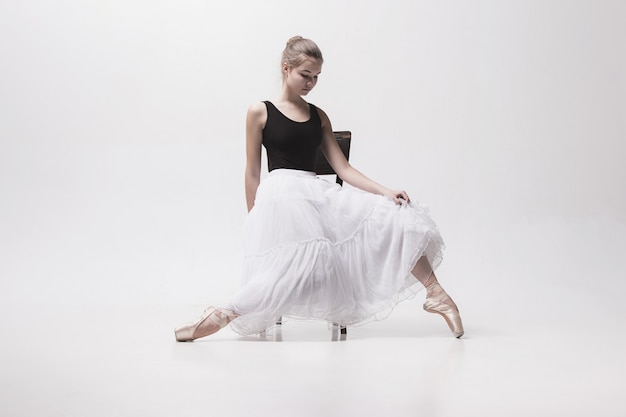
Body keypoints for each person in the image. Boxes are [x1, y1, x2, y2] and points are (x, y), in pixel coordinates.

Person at [174, 36, 464, 341]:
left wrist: (385, 191)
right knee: (291, 265)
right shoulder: (260, 111)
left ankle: (436, 294)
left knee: (396, 214)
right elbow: (252, 172)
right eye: (305, 75)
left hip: (316, 194)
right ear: (286, 69)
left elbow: (343, 169)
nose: (310, 83)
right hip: (280, 196)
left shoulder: (319, 116)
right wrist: (254, 217)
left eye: (316, 78)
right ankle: (224, 314)